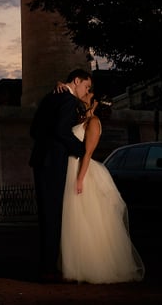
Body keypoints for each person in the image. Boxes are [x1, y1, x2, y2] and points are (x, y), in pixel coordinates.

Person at [58, 91, 145, 283]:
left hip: (82, 171)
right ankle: (75, 266)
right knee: (76, 221)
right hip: (72, 168)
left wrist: (80, 178)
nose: (85, 93)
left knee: (87, 220)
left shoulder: (94, 122)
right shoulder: (82, 119)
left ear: (94, 102)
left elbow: (88, 152)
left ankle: (93, 267)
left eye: (89, 92)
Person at [29, 68, 91, 283]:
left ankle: (46, 265)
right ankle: (48, 269)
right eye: (86, 86)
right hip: (54, 163)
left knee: (47, 216)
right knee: (54, 215)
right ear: (76, 81)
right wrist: (82, 150)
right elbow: (62, 131)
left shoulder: (49, 98)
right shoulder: (68, 101)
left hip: (40, 160)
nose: (86, 91)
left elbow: (34, 130)